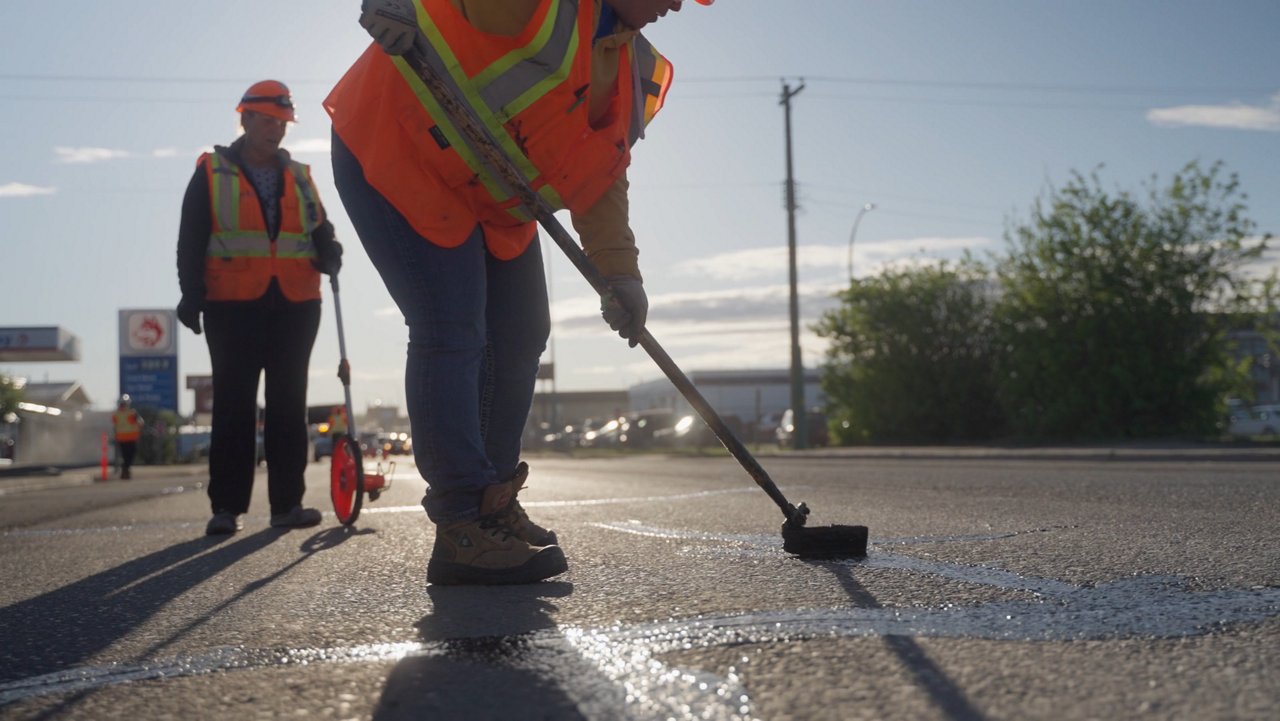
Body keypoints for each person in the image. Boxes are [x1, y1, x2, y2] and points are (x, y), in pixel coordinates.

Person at [326, 0, 691, 585]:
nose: (676, 3)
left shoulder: (629, 68)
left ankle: (493, 502)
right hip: (399, 147)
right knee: (451, 327)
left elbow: (602, 177)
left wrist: (620, 273)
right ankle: (462, 521)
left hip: (492, 198)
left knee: (522, 332)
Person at [176, 80, 344, 536]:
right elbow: (191, 238)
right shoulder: (212, 171)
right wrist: (191, 295)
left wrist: (330, 251)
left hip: (295, 303)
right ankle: (226, 508)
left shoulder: (301, 176)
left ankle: (287, 505)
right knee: (234, 405)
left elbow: (319, 228)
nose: (276, 131)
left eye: (282, 123)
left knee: (289, 405)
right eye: (267, 120)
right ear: (244, 118)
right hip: (231, 305)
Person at [111, 395, 142, 480]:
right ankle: (126, 470)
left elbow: (114, 426)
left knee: (125, 456)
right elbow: (141, 423)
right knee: (129, 456)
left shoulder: (116, 414)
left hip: (122, 438)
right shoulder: (132, 413)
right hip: (130, 438)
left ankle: (125, 471)